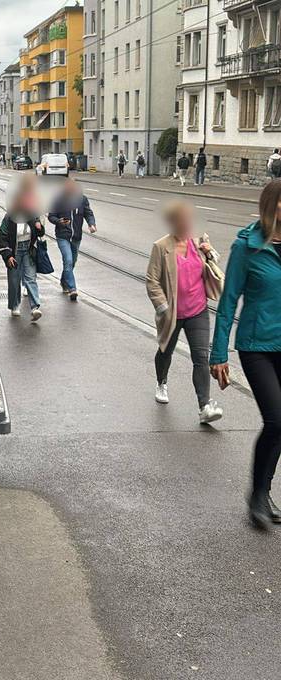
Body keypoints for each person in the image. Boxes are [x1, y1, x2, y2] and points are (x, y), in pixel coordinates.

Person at [210, 181, 281, 529]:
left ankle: (264, 494)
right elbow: (227, 303)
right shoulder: (247, 247)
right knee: (276, 420)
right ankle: (256, 497)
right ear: (274, 207)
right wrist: (218, 353)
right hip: (257, 346)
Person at [146, 201, 223, 425]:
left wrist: (209, 252)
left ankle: (205, 406)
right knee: (165, 351)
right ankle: (161, 382)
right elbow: (152, 280)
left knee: (200, 357)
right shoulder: (161, 247)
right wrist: (162, 306)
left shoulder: (199, 241)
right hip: (172, 312)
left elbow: (215, 262)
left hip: (197, 309)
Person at [0, 175, 45, 321]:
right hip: (14, 251)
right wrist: (8, 255)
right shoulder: (9, 217)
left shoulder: (32, 215)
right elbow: (3, 236)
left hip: (28, 250)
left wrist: (39, 227)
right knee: (14, 280)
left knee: (31, 278)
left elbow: (40, 233)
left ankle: (35, 307)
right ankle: (14, 305)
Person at [47, 178, 97, 302]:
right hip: (63, 235)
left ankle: (64, 281)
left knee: (72, 262)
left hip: (76, 237)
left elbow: (88, 213)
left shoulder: (82, 199)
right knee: (68, 260)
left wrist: (91, 224)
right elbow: (51, 216)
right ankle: (72, 289)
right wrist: (59, 221)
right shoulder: (59, 200)